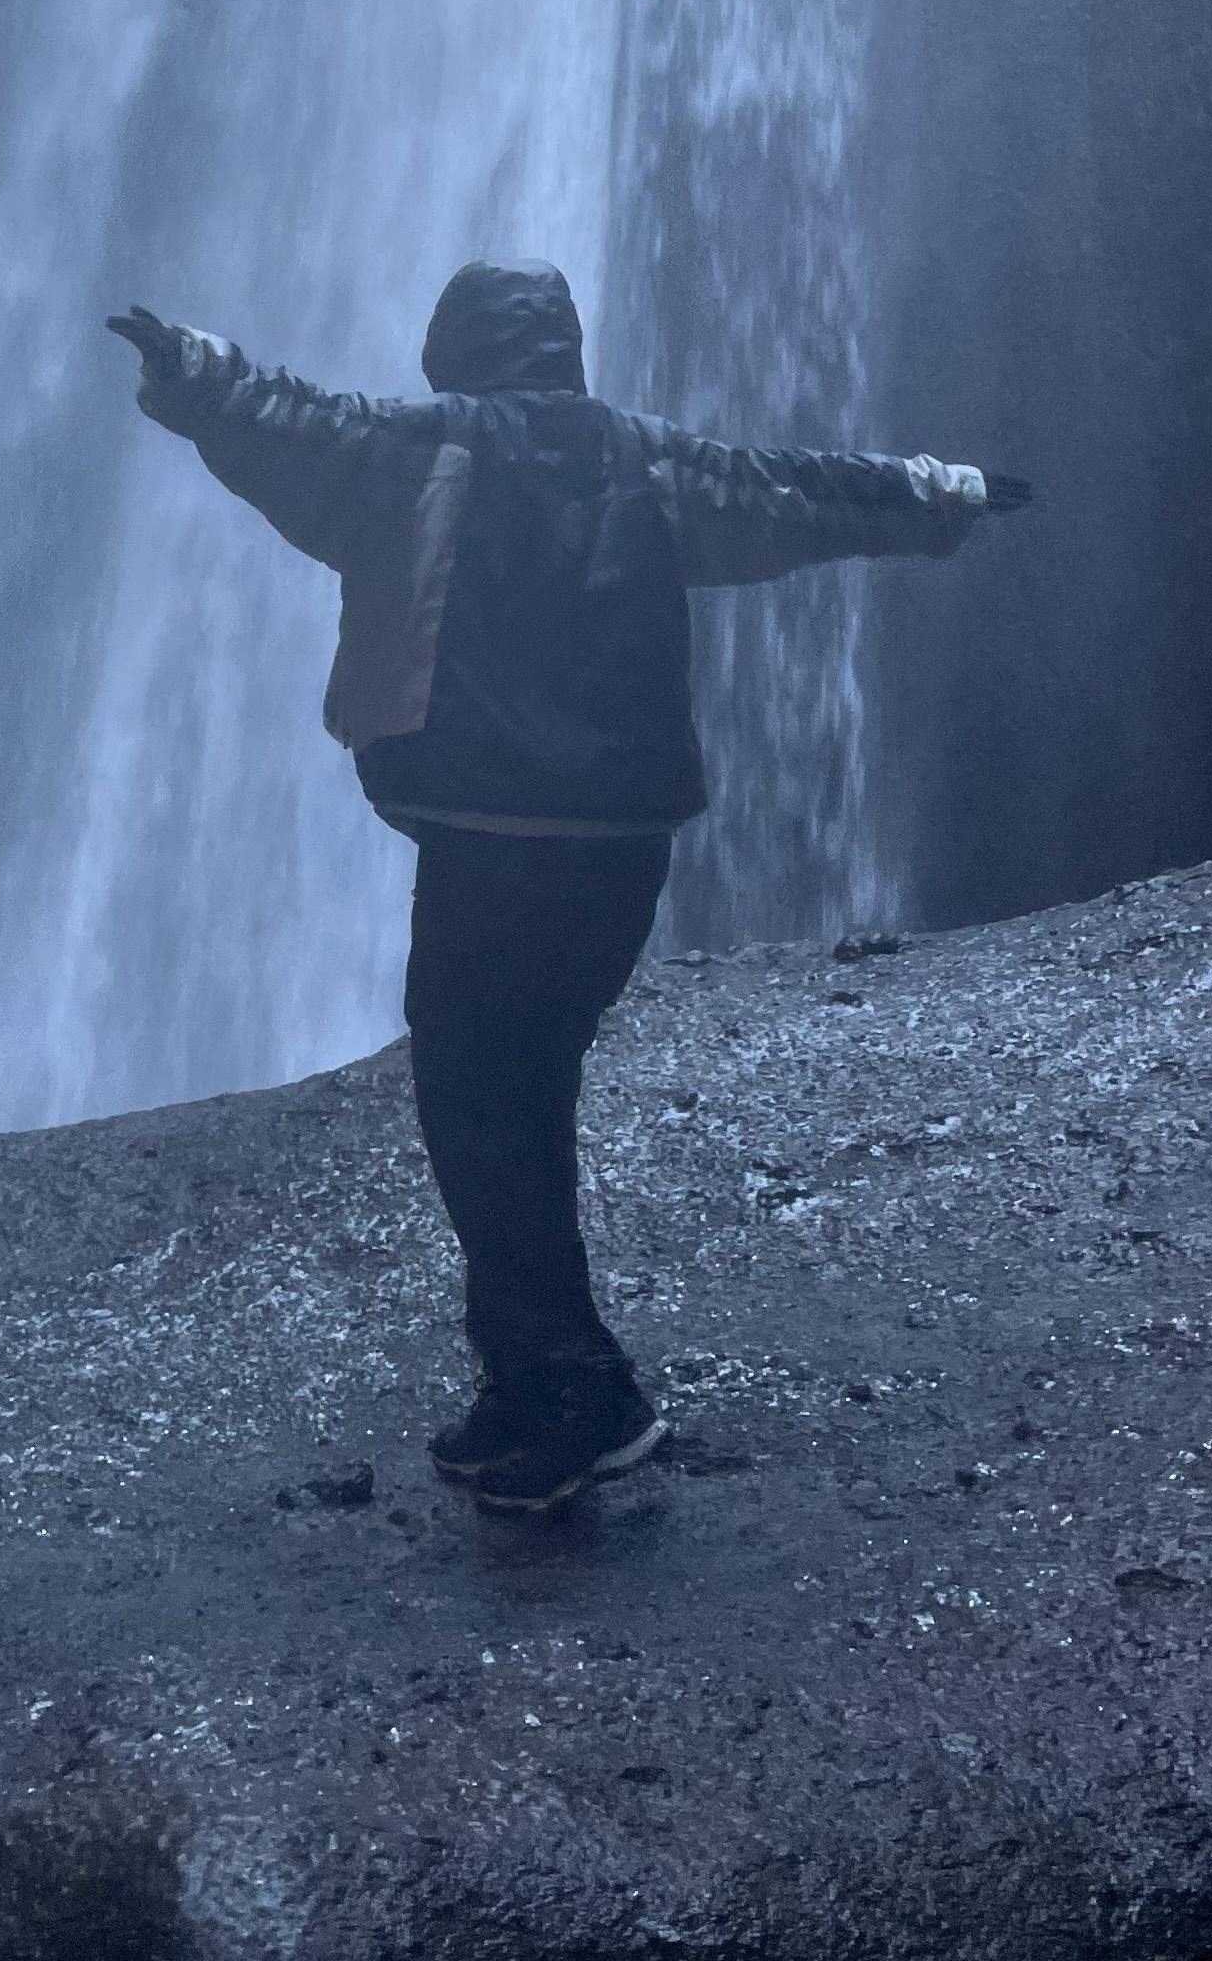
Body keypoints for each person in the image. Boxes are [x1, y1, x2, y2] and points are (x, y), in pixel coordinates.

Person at [106, 258, 1031, 1515]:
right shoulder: (647, 460)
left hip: (491, 840)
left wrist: (194, 367)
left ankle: (577, 1392)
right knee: (518, 1100)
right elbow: (797, 492)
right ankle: (529, 1378)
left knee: (483, 1109)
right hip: (619, 850)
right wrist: (943, 493)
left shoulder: (415, 450)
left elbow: (292, 418)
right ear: (563, 352)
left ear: (454, 350)